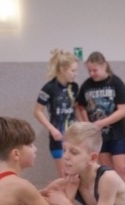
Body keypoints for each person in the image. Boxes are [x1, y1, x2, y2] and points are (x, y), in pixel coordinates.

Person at [76, 51, 125, 186]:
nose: (92, 74)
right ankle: (112, 200)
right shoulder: (87, 85)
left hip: (116, 133)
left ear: (104, 66)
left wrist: (102, 123)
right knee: (107, 171)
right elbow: (79, 106)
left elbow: (123, 110)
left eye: (95, 70)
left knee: (121, 169)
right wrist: (86, 124)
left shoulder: (115, 82)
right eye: (89, 70)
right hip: (98, 136)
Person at [33, 48, 80, 179]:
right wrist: (52, 129)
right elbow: (37, 111)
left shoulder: (74, 87)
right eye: (73, 71)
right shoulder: (49, 88)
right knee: (64, 175)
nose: (75, 74)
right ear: (62, 69)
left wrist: (84, 127)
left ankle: (72, 199)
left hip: (73, 137)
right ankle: (64, 199)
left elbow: (76, 110)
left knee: (75, 175)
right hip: (57, 137)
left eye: (76, 70)